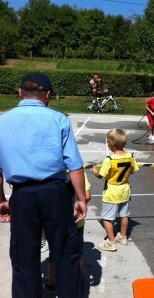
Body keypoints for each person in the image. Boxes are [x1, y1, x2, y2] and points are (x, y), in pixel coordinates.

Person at [0, 72, 87, 298]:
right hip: (55, 193)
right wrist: (80, 199)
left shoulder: (2, 121)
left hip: (22, 194)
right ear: (47, 95)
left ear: (20, 93)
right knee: (66, 254)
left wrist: (1, 198)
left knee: (23, 259)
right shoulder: (58, 119)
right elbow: (74, 164)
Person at [42, 172, 92, 295]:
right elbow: (87, 195)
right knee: (77, 251)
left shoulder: (50, 173)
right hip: (76, 220)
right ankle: (76, 279)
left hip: (55, 222)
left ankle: (52, 282)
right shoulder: (79, 173)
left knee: (54, 252)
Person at [91, 128, 139, 251]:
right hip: (124, 189)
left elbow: (101, 175)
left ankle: (111, 242)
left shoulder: (109, 160)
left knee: (107, 218)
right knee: (124, 214)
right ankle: (122, 236)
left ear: (111, 144)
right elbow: (133, 170)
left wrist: (94, 170)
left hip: (112, 191)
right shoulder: (130, 156)